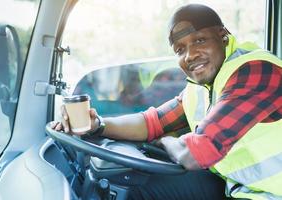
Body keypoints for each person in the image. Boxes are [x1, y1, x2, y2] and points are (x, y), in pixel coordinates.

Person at [53, 4, 282, 200]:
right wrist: (98, 125)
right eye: (180, 49)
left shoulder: (255, 71)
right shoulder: (201, 88)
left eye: (200, 40)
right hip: (240, 188)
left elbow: (196, 153)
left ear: (223, 35)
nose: (190, 55)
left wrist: (165, 142)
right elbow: (151, 122)